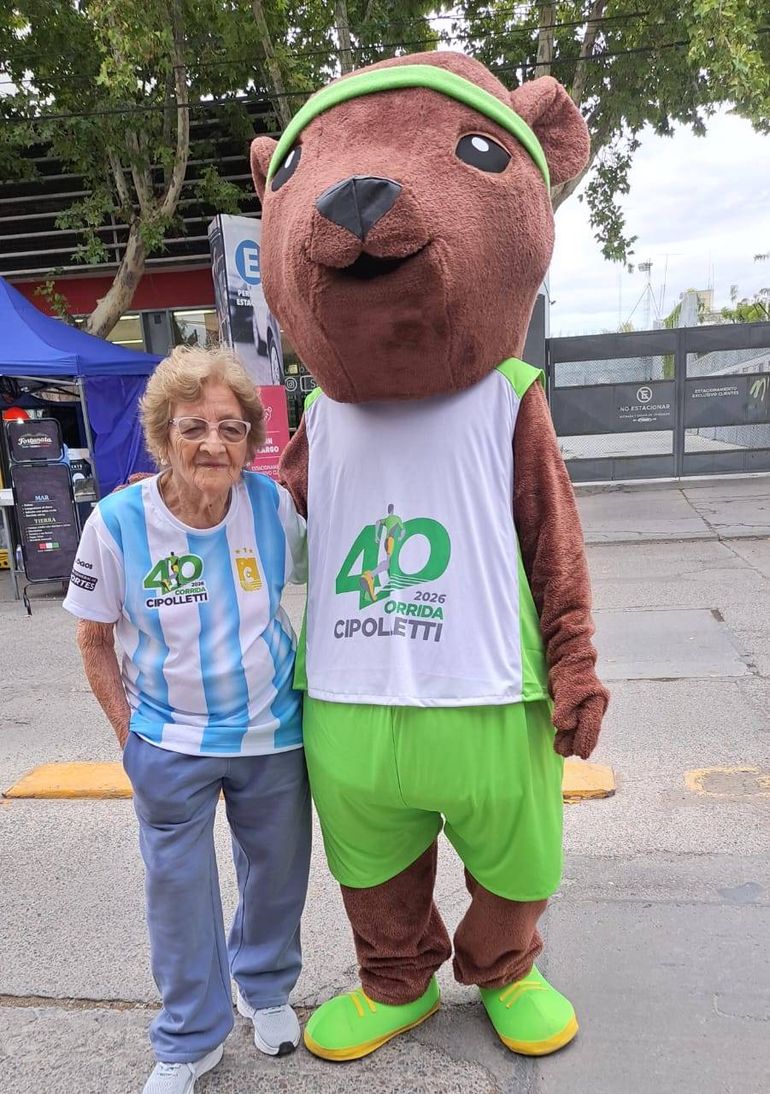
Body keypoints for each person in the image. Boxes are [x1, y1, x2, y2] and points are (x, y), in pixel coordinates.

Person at [63, 345, 310, 1093]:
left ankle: (264, 988)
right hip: (168, 739)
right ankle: (190, 1037)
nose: (212, 443)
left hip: (273, 734)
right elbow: (93, 638)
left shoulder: (273, 507)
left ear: (251, 439)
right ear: (162, 434)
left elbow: (333, 579)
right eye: (193, 426)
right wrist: (128, 736)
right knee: (177, 896)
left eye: (231, 428)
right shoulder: (116, 523)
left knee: (276, 877)